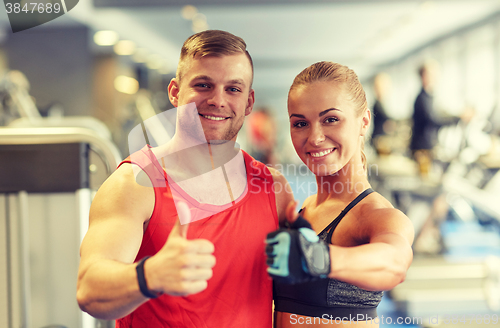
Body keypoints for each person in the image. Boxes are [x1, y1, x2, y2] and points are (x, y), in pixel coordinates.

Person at [76, 30, 293, 328]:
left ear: (249, 101)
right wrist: (150, 275)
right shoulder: (135, 183)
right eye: (203, 85)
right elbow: (90, 290)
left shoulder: (273, 187)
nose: (218, 100)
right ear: (175, 92)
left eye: (233, 89)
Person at [265, 61, 414, 327]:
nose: (315, 137)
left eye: (331, 119)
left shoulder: (376, 214)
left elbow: (395, 262)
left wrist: (322, 259)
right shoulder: (301, 211)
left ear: (363, 121)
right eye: (300, 123)